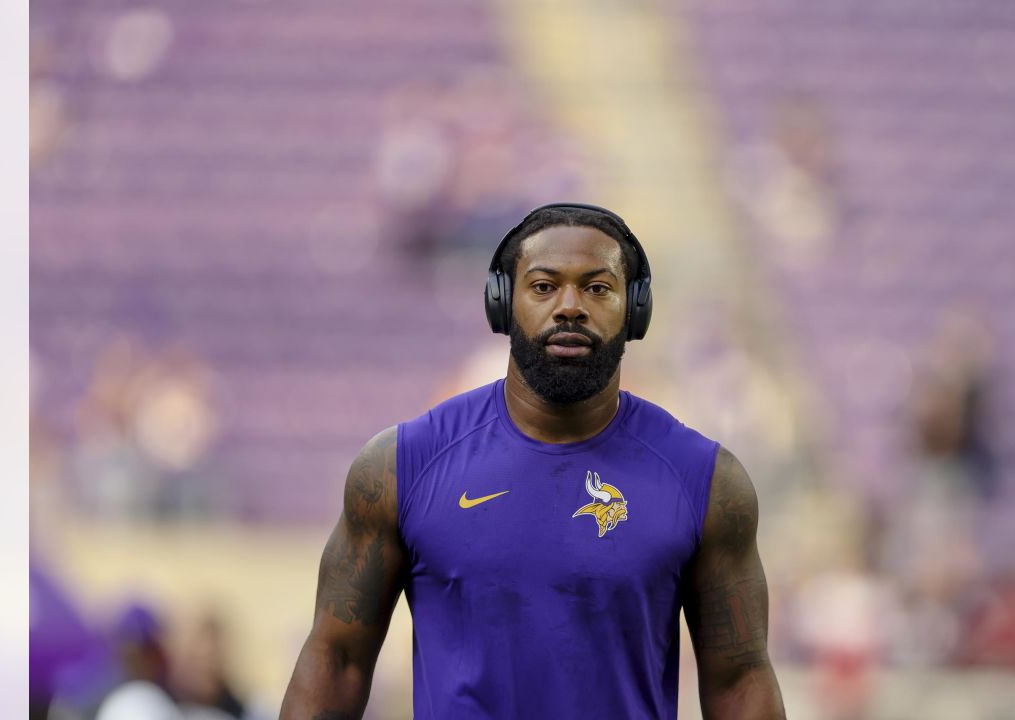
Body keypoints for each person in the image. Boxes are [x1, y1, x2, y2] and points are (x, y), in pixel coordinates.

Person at [281, 203, 787, 719]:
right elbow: (336, 657)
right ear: (502, 303)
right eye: (544, 286)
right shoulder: (400, 466)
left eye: (597, 288)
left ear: (635, 310)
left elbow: (740, 678)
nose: (570, 306)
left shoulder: (704, 481)